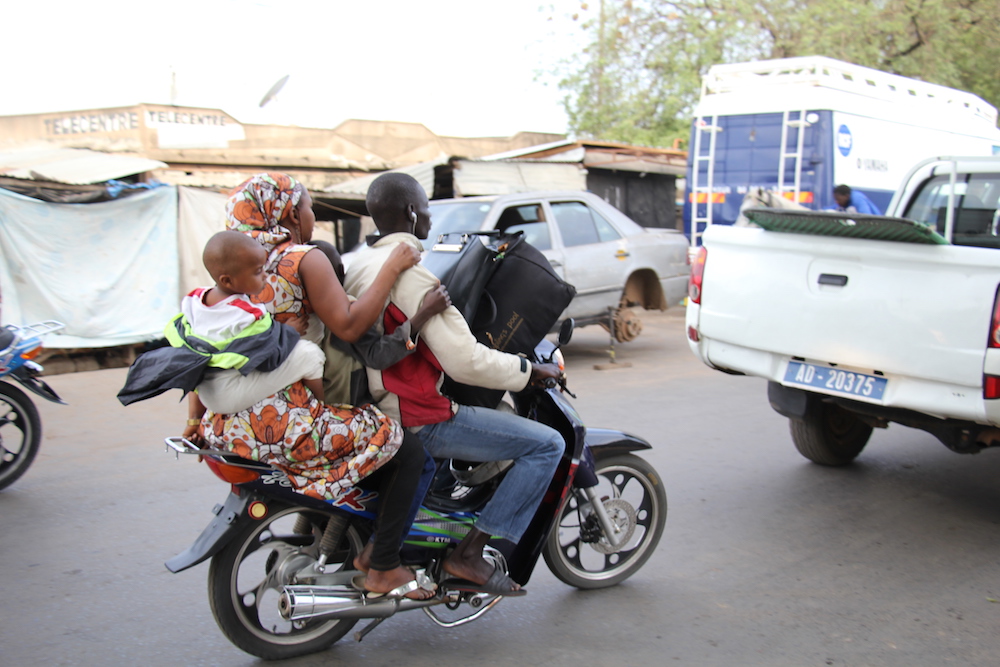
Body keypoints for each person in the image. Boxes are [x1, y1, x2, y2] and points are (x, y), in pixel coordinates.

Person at [207, 172, 438, 599]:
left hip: (233, 420)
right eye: (310, 206)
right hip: (289, 416)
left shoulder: (234, 269)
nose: (312, 215)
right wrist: (392, 266)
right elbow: (350, 326)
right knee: (406, 449)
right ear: (292, 212)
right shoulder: (301, 259)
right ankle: (384, 565)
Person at [344, 172, 566, 596]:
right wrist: (528, 372)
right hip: (416, 413)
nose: (429, 214)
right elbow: (464, 361)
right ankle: (469, 555)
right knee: (547, 445)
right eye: (426, 205)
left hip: (375, 403)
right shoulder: (412, 276)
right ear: (411, 212)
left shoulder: (361, 263)